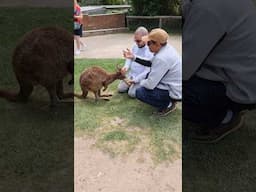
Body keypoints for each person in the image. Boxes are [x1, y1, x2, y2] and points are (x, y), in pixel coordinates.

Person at [183, 0, 256, 143]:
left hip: (241, 89)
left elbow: (184, 69)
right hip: (245, 77)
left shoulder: (207, 8)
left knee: (173, 86)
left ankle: (224, 118)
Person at [123, 28, 182, 116]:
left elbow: (150, 85)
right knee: (146, 79)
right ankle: (167, 101)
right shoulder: (166, 48)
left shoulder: (162, 58)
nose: (147, 45)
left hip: (173, 91)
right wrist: (133, 57)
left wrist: (137, 82)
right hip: (173, 85)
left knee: (140, 92)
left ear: (157, 44)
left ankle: (168, 105)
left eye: (148, 43)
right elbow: (150, 62)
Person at [118, 27, 153, 98]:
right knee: (120, 89)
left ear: (145, 38)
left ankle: (139, 86)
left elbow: (147, 70)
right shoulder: (134, 46)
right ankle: (132, 86)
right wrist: (125, 68)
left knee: (132, 94)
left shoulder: (150, 49)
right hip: (132, 74)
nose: (136, 43)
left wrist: (136, 80)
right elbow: (129, 59)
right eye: (135, 40)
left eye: (138, 41)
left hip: (141, 77)